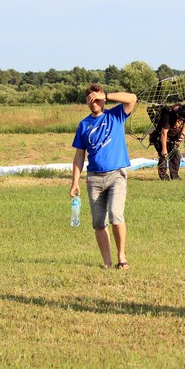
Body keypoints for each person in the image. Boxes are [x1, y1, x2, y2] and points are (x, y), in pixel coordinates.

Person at [70, 83, 137, 270]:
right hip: (94, 178)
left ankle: (121, 256)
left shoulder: (115, 115)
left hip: (117, 175)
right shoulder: (84, 125)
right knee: (99, 222)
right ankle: (107, 262)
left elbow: (132, 98)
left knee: (116, 215)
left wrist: (106, 95)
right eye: (90, 99)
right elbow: (79, 156)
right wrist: (75, 181)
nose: (94, 102)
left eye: (97, 98)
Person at [148, 103, 185, 180]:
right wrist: (164, 149)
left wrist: (181, 136)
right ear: (177, 113)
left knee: (176, 155)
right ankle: (164, 177)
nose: (182, 120)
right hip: (161, 137)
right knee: (163, 156)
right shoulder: (168, 114)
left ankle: (175, 176)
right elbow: (164, 133)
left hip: (172, 138)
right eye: (181, 119)